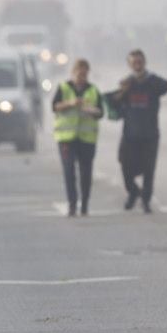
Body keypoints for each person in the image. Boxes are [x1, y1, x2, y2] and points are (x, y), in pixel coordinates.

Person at [106, 49, 167, 213]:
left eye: (140, 61)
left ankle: (146, 201)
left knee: (149, 170)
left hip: (149, 134)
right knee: (125, 166)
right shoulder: (127, 83)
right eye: (134, 62)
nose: (137, 65)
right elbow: (113, 103)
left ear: (144, 62)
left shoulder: (153, 81)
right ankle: (134, 192)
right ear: (130, 64)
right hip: (130, 134)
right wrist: (123, 91)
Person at [51, 58, 104, 216]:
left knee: (86, 173)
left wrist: (90, 110)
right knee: (69, 171)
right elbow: (55, 106)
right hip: (66, 137)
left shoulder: (93, 90)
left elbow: (100, 112)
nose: (82, 76)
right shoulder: (64, 87)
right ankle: (72, 204)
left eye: (84, 73)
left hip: (87, 138)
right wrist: (71, 103)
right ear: (73, 72)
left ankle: (85, 204)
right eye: (79, 73)